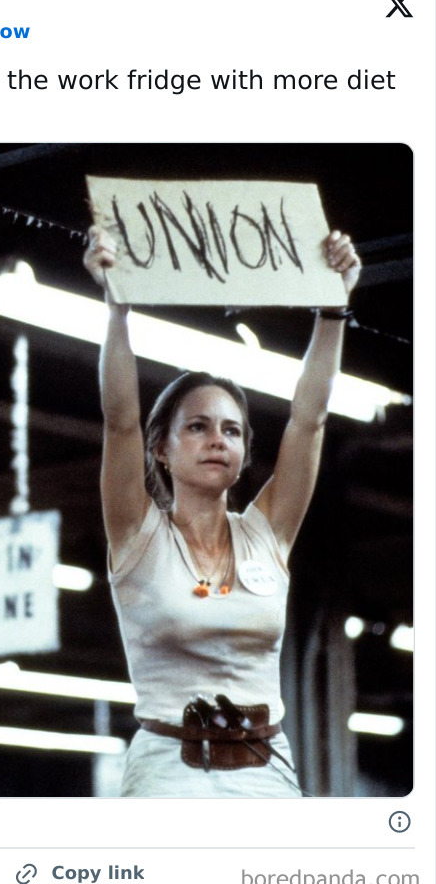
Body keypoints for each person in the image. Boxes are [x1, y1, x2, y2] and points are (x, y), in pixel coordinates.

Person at [84, 223, 361, 797]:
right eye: (198, 427)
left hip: (267, 768)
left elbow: (309, 419)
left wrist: (332, 311)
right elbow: (120, 420)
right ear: (161, 448)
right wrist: (116, 313)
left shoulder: (268, 532)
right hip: (168, 772)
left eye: (232, 430)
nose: (218, 439)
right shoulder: (137, 533)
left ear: (242, 453)